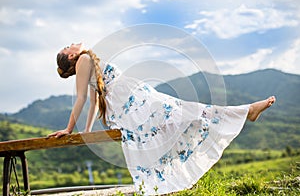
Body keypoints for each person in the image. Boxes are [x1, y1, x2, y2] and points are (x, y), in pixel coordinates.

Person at [48, 43, 276, 195]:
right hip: (129, 99)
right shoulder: (84, 59)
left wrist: (86, 130)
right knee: (178, 113)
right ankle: (246, 111)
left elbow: (94, 100)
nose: (73, 44)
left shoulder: (86, 62)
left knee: (173, 118)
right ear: (70, 56)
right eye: (69, 46)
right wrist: (71, 129)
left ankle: (245, 112)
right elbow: (83, 99)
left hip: (128, 99)